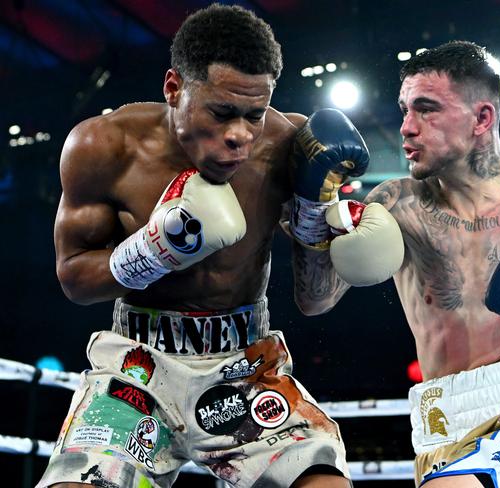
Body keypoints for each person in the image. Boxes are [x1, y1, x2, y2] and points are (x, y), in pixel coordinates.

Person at [36, 4, 402, 488]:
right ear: (174, 88)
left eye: (255, 115)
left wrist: (316, 223)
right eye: (222, 112)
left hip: (246, 366)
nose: (240, 136)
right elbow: (74, 280)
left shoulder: (287, 145)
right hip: (136, 368)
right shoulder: (103, 147)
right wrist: (152, 251)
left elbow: (315, 302)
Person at [304, 41, 500, 487]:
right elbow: (316, 301)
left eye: (427, 109)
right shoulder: (394, 205)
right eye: (404, 110)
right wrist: (311, 217)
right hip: (435, 426)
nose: (406, 128)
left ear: (482, 118)